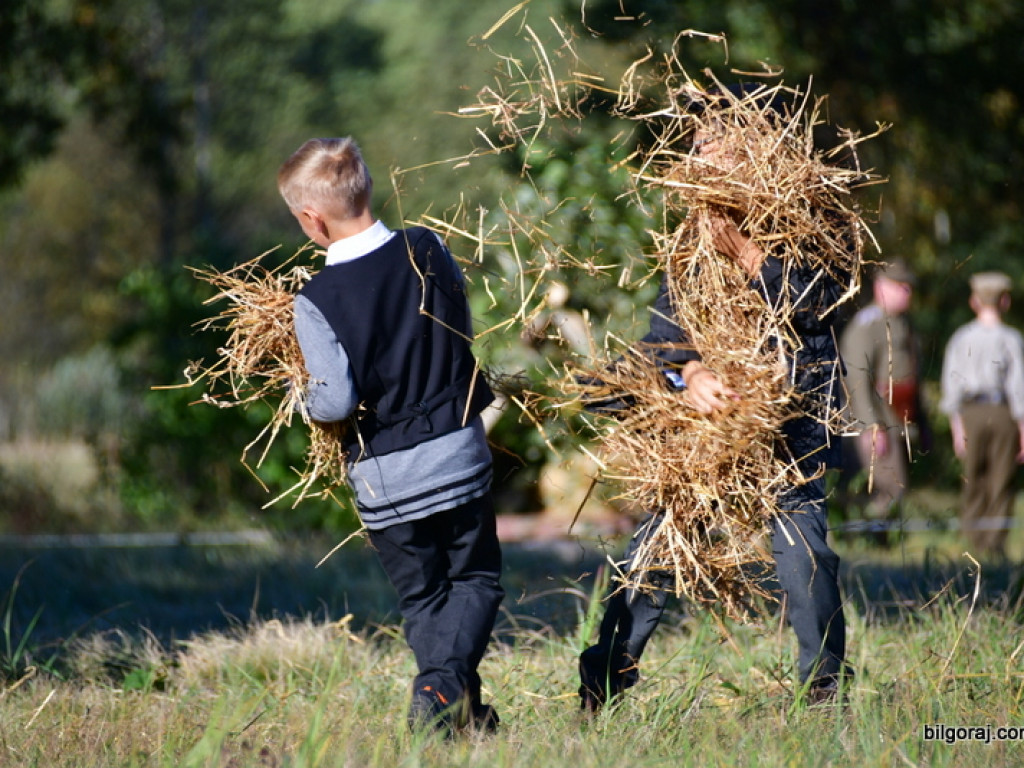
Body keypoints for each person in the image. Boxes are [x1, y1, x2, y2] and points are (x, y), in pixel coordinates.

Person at [578, 100, 850, 711]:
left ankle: (825, 693)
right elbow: (662, 338)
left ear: (756, 152)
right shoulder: (691, 239)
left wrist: (751, 258)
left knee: (807, 559)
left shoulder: (814, 221)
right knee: (655, 554)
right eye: (697, 145)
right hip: (702, 436)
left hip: (788, 430)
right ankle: (602, 682)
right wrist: (692, 373)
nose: (697, 157)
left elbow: (825, 303)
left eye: (711, 145)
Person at [278, 137, 505, 735]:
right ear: (366, 187)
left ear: (311, 218)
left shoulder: (315, 300)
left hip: (386, 481)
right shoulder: (426, 248)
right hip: (457, 455)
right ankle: (451, 701)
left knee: (426, 599)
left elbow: (335, 400)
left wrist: (297, 397)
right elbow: (460, 324)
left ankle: (454, 707)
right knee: (475, 581)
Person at [839, 260, 928, 537]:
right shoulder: (867, 326)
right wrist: (870, 425)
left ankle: (880, 541)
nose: (907, 293)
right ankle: (872, 543)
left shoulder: (902, 324)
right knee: (888, 486)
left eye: (909, 287)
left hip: (896, 417)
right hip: (877, 420)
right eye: (900, 287)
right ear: (880, 287)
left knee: (894, 486)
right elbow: (856, 380)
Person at [939, 271, 1024, 557]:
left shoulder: (961, 338)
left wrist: (955, 427)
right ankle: (994, 544)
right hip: (1003, 413)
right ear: (1005, 302)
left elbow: (951, 385)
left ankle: (973, 543)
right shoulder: (1012, 339)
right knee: (1001, 479)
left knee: (973, 477)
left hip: (970, 413)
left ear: (974, 302)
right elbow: (1018, 387)